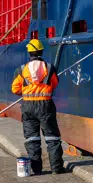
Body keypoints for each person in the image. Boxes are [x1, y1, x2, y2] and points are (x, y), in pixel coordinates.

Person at [11, 39, 66, 175]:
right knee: (52, 137)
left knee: (32, 139)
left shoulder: (22, 69)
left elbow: (15, 89)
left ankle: (36, 169)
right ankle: (57, 168)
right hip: (45, 105)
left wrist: (26, 91)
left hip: (28, 106)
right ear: (41, 51)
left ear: (29, 52)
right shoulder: (49, 67)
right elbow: (54, 83)